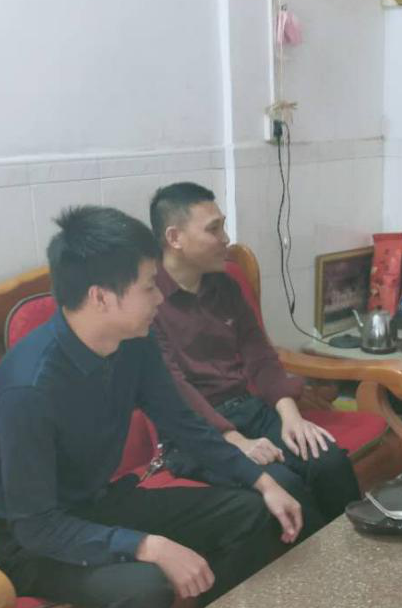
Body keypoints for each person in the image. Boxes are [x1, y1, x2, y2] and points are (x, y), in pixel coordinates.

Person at [0, 205, 303, 608]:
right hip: (33, 543)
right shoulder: (28, 386)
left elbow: (185, 424)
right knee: (141, 585)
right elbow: (35, 524)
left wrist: (262, 480)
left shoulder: (132, 345)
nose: (159, 297)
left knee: (248, 513)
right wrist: (146, 545)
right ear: (101, 297)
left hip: (102, 505)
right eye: (147, 286)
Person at [147, 181, 361, 536]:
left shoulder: (224, 285)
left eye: (223, 226)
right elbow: (174, 387)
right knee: (283, 483)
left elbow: (259, 355)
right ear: (175, 237)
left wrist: (291, 417)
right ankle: (321, 568)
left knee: (328, 460)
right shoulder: (148, 298)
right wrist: (234, 440)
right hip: (194, 435)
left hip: (248, 409)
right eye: (213, 229)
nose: (226, 238)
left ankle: (358, 555)